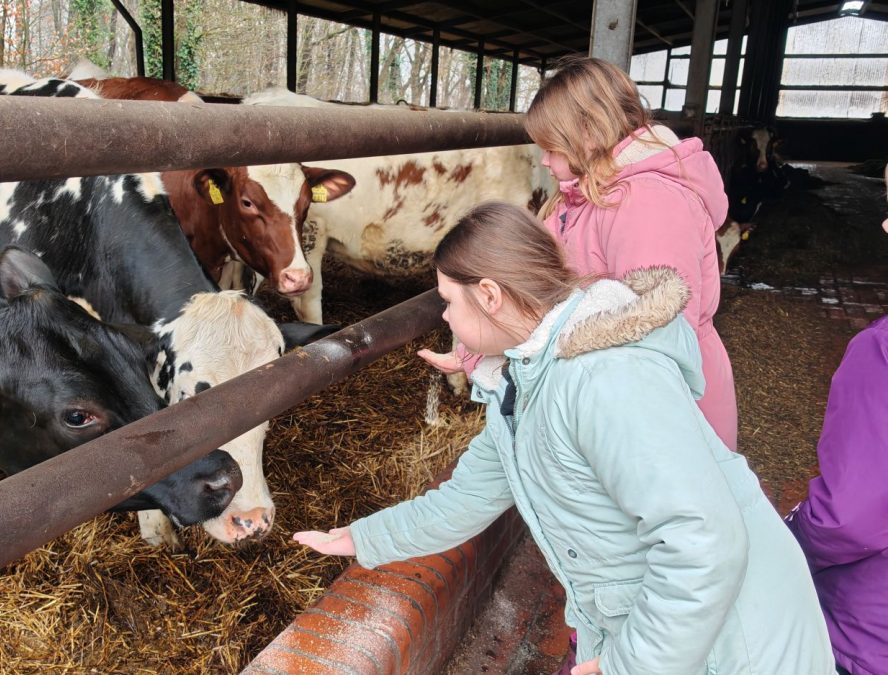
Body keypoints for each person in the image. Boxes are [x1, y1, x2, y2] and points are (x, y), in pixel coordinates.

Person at [297, 202, 833, 675]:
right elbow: (466, 497)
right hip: (679, 630)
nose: (443, 316)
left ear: (489, 295)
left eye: (448, 301)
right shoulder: (527, 380)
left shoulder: (604, 379)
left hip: (733, 645)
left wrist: (633, 665)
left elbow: (705, 541)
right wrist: (362, 539)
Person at [421, 56, 738, 452]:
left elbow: (660, 339)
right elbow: (538, 296)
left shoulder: (649, 204)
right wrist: (475, 350)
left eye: (551, 146)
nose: (544, 160)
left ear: (587, 132)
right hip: (598, 401)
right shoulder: (577, 196)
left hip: (662, 420)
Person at [784, 168, 888, 675]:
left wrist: (788, 541)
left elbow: (849, 516)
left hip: (868, 632)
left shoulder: (881, 352)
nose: (886, 224)